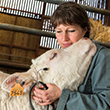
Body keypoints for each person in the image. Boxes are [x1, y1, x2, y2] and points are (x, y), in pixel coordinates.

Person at [32, 1, 110, 110]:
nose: (64, 38)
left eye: (71, 30)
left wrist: (62, 96)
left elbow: (106, 104)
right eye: (59, 31)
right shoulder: (60, 57)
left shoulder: (102, 57)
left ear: (84, 30)